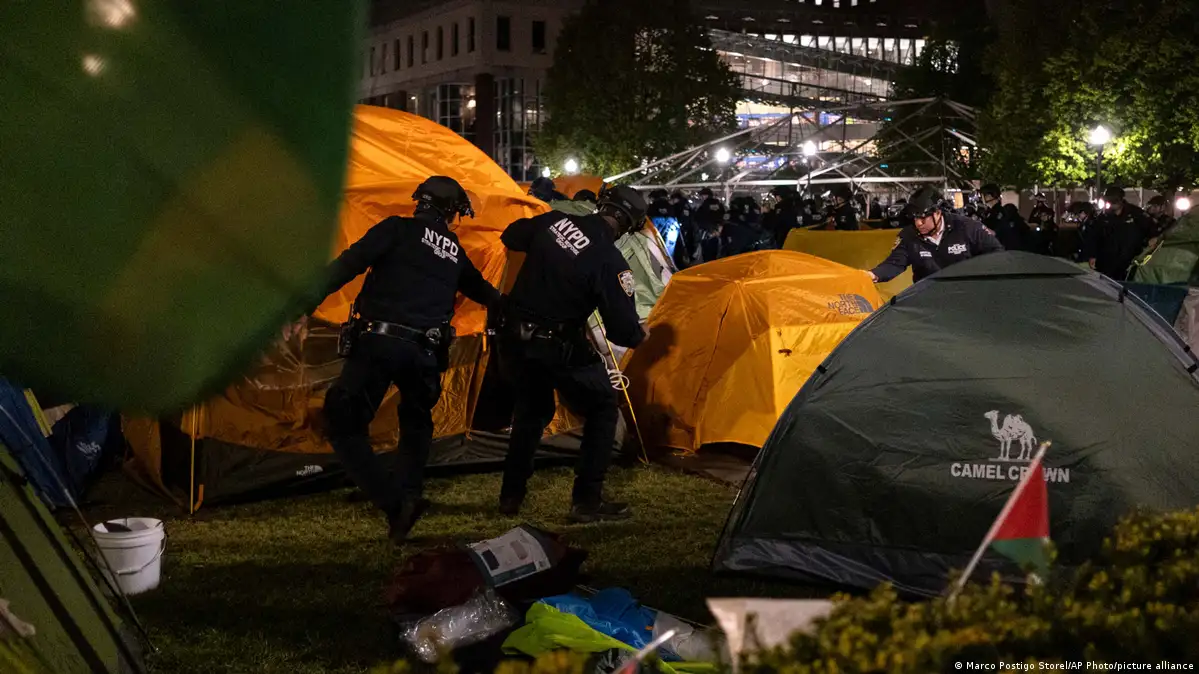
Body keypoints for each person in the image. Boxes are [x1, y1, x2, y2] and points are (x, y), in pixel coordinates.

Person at [320, 176, 501, 544]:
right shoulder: (453, 249)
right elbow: (485, 292)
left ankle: (392, 501)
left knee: (343, 422)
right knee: (417, 422)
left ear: (419, 202)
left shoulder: (396, 229)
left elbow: (347, 265)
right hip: (427, 353)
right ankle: (409, 492)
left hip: (380, 342)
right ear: (450, 212)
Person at [494, 185, 648, 523]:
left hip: (514, 341)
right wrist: (641, 335)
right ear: (628, 225)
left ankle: (511, 495)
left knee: (532, 412)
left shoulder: (553, 221)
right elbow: (623, 330)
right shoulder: (611, 261)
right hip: (557, 347)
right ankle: (587, 500)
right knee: (604, 406)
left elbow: (511, 236)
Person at [867, 186, 1004, 283]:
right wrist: (872, 275)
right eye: (914, 218)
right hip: (927, 300)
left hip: (966, 296)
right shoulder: (909, 235)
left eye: (923, 218)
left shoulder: (967, 227)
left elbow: (997, 254)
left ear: (938, 213)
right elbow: (894, 263)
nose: (918, 223)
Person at [1083, 186, 1154, 281]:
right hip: (1107, 261)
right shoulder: (1102, 217)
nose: (1112, 204)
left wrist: (1152, 239)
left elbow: (1151, 229)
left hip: (1130, 260)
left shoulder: (1136, 214)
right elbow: (1093, 237)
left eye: (1115, 201)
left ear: (1121, 199)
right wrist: (1092, 256)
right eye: (1110, 201)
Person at [981, 183, 1029, 251]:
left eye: (982, 195)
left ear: (989, 196)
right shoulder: (993, 212)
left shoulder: (997, 213)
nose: (981, 198)